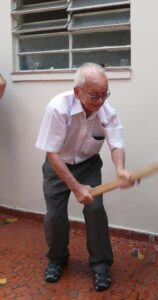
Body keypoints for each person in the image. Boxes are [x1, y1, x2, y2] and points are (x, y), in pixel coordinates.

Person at [35, 63, 135, 292]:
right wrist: (76, 186)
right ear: (77, 92)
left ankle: (100, 265)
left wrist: (121, 169)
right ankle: (57, 259)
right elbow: (51, 152)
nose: (100, 101)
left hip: (88, 165)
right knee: (55, 215)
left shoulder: (107, 111)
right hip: (57, 165)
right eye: (94, 96)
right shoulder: (58, 108)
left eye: (104, 94)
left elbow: (116, 144)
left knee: (95, 210)